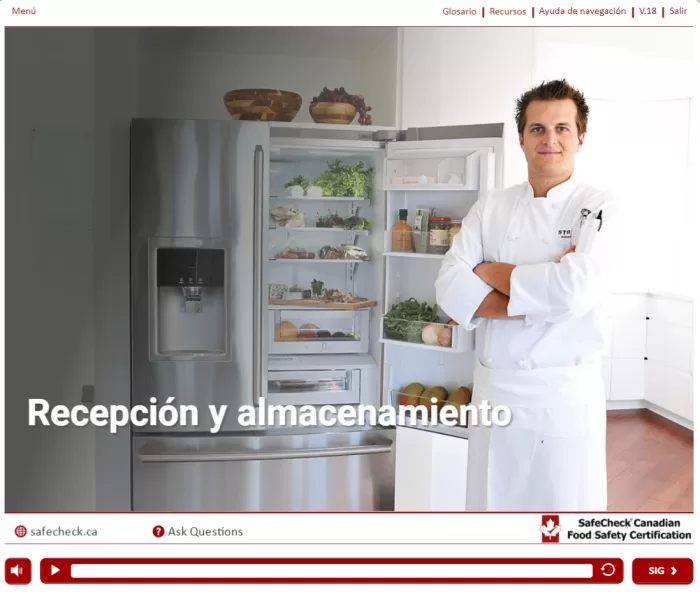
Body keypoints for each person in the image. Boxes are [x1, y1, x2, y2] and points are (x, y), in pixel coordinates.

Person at [435, 79, 616, 512]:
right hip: (496, 393)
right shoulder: (491, 206)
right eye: (537, 128)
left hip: (562, 397)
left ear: (580, 137)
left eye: (561, 128)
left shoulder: (601, 206)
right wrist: (543, 290)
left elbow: (572, 294)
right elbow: (449, 287)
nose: (549, 139)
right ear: (521, 138)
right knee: (490, 510)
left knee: (562, 515)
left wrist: (487, 271)